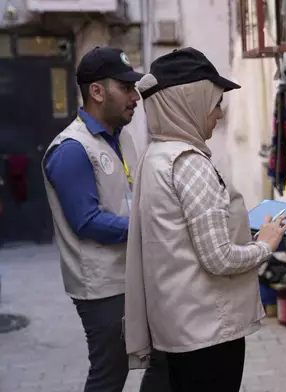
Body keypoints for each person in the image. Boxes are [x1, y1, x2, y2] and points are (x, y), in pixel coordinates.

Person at [124, 47, 286, 392]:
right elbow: (219, 257)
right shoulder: (189, 164)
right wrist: (265, 244)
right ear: (190, 100)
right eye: (215, 102)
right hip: (209, 333)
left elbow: (182, 235)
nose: (219, 114)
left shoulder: (155, 156)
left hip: (180, 326)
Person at [42, 46, 170, 392]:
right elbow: (87, 221)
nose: (135, 97)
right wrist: (151, 227)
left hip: (131, 274)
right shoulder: (71, 149)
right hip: (103, 287)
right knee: (109, 375)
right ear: (97, 92)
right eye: (126, 88)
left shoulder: (123, 138)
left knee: (164, 359)